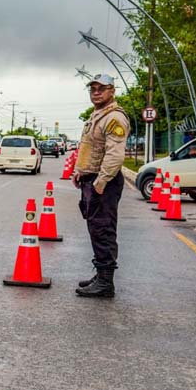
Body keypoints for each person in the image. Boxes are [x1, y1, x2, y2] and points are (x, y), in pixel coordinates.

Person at [72, 74, 130, 298]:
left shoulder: (114, 118)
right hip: (92, 178)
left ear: (112, 91)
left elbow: (114, 156)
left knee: (104, 230)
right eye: (93, 89)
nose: (96, 92)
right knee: (96, 229)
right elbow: (90, 148)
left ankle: (106, 282)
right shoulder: (97, 115)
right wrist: (80, 171)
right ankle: (101, 274)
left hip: (104, 182)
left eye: (101, 88)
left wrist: (100, 182)